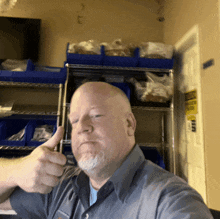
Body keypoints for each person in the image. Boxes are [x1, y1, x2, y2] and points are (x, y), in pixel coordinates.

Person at [0, 81, 213, 218]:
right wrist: (16, 171)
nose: (82, 127)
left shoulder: (170, 200)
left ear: (129, 125)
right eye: (74, 121)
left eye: (96, 115)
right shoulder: (59, 185)